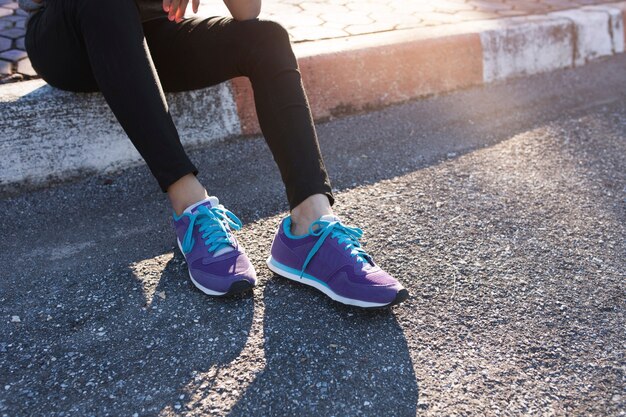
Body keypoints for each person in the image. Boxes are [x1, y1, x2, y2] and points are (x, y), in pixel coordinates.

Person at [20, 0, 409, 308]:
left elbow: (247, 11)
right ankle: (190, 206)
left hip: (148, 38)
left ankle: (309, 225)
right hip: (69, 34)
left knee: (266, 38)